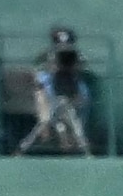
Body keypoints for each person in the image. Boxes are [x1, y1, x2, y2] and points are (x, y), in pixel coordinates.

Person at [21, 28, 94, 156]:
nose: (63, 46)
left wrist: (73, 68)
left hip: (71, 87)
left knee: (82, 96)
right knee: (47, 103)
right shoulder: (46, 55)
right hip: (52, 91)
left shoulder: (76, 55)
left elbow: (82, 69)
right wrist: (51, 68)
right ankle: (50, 131)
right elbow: (37, 73)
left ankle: (70, 135)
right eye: (59, 42)